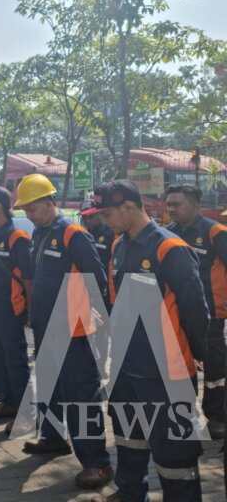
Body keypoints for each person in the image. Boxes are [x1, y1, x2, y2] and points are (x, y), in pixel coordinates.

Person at [92, 180, 208, 502]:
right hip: (129, 365)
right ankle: (129, 492)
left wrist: (199, 355)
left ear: (129, 208)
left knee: (174, 453)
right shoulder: (120, 245)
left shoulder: (169, 249)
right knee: (130, 437)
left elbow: (196, 311)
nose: (104, 220)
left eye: (107, 213)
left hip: (166, 372)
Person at [14, 174, 113, 490]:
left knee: (81, 395)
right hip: (45, 328)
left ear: (49, 202)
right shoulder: (39, 235)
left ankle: (97, 463)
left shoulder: (73, 236)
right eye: (26, 210)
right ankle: (54, 438)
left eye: (33, 208)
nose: (30, 214)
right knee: (50, 387)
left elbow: (96, 280)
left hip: (73, 331)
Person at [166, 184, 227, 440]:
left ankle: (218, 416)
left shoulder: (215, 232)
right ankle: (183, 415)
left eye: (176, 204)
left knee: (214, 368)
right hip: (177, 313)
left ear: (195, 205)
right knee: (179, 365)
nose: (171, 210)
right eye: (169, 204)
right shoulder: (167, 234)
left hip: (211, 314)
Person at [0, 186, 32, 432]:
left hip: (10, 310)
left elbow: (28, 278)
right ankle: (10, 402)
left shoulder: (16, 236)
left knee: (15, 360)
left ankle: (26, 414)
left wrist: (28, 311)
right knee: (0, 356)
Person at [81, 198, 115, 270]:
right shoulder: (82, 234)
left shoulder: (112, 232)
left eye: (91, 216)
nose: (87, 221)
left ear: (100, 213)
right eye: (84, 217)